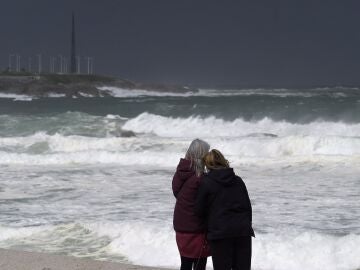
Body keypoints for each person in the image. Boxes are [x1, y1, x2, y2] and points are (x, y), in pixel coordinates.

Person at [195, 149, 255, 270]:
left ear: (207, 165)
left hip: (219, 233)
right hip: (242, 231)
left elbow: (198, 210)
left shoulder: (206, 183)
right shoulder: (238, 180)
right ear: (223, 161)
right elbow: (248, 208)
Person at [172, 139, 211, 270]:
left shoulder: (181, 172)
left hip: (181, 226)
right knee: (200, 265)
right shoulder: (200, 178)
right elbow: (205, 205)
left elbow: (178, 193)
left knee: (185, 264)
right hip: (196, 229)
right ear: (201, 155)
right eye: (207, 153)